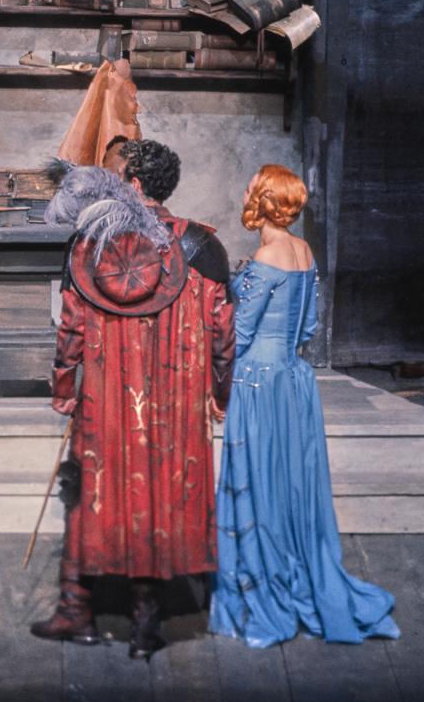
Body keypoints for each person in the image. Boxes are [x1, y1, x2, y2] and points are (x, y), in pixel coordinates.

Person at [31, 139, 235, 660]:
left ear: (135, 184)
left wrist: (63, 391)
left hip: (106, 399)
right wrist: (221, 394)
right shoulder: (202, 247)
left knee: (91, 494)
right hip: (176, 402)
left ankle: (77, 611)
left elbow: (70, 330)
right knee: (157, 498)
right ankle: (146, 623)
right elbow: (223, 333)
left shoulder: (90, 246)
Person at [209, 163, 398, 648]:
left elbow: (241, 334)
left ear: (263, 199)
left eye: (251, 186)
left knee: (258, 479)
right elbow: (309, 326)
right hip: (294, 380)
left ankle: (264, 583)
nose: (244, 191)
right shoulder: (304, 251)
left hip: (258, 381)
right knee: (290, 479)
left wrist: (216, 379)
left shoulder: (266, 256)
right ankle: (297, 568)